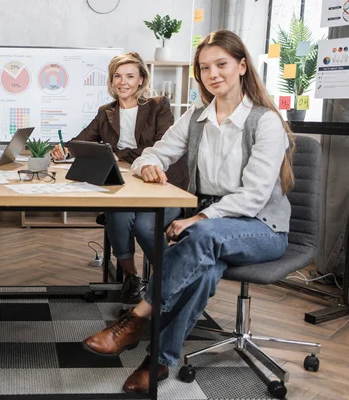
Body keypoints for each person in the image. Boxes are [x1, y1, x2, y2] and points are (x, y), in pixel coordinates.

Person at [82, 30, 295, 393]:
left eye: (222, 64)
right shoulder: (196, 117)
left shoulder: (265, 121)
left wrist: (199, 218)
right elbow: (155, 152)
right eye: (205, 67)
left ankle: (134, 320)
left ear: (242, 66)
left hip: (261, 226)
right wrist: (147, 164)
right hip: (210, 227)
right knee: (204, 269)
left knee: (200, 235)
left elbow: (255, 195)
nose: (213, 74)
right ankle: (159, 363)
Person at [50, 52, 188, 305]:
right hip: (125, 183)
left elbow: (160, 145)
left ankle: (169, 278)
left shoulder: (159, 106)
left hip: (161, 182)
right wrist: (65, 150)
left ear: (141, 80)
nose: (123, 82)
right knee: (118, 216)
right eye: (117, 76)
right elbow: (83, 139)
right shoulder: (106, 112)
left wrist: (117, 154)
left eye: (129, 76)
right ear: (112, 81)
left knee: (145, 226)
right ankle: (130, 276)